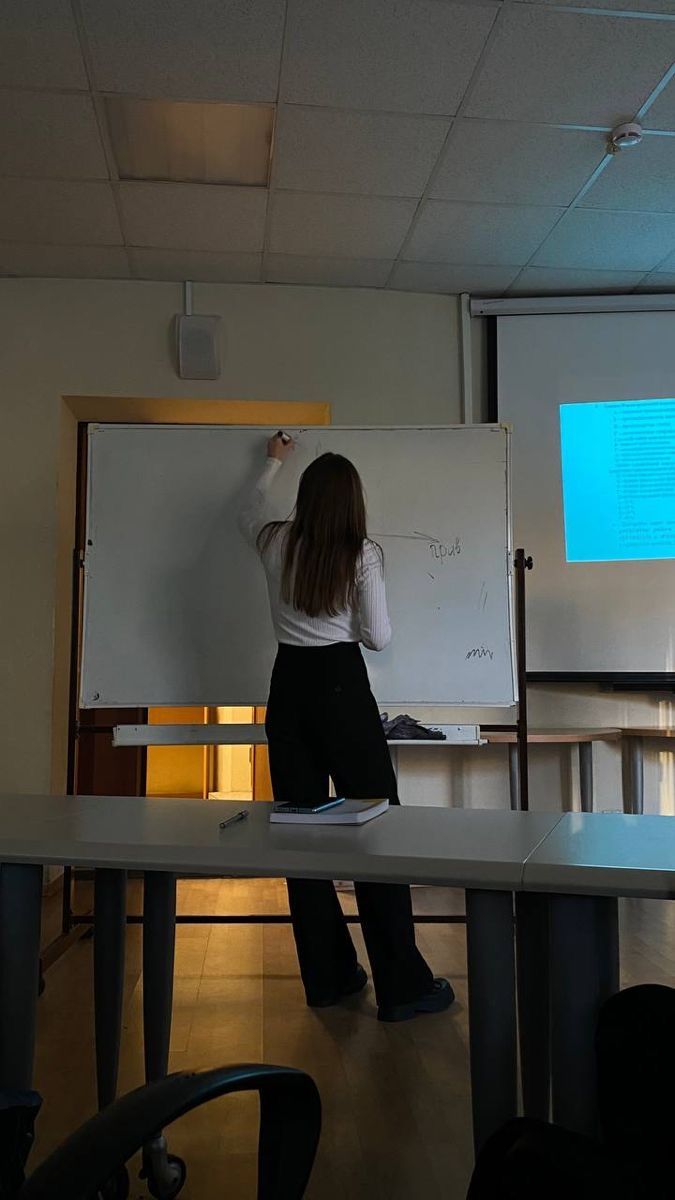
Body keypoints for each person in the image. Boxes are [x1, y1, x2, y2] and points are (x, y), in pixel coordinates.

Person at [238, 432, 453, 1023]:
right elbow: (379, 637)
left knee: (301, 834)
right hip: (341, 687)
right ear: (354, 504)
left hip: (288, 690)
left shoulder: (275, 540)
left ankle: (330, 978)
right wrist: (346, 616)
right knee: (378, 829)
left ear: (305, 499)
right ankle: (402, 987)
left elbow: (249, 510)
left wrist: (271, 462)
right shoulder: (363, 554)